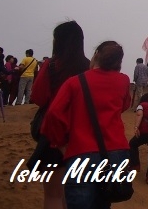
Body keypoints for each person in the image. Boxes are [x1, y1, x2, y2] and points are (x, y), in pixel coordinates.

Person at [42, 41, 132, 209]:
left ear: (96, 54)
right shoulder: (123, 81)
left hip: (81, 152)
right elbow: (125, 105)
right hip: (116, 152)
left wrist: (60, 143)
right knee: (104, 201)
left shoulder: (74, 82)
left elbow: (53, 114)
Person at [30, 21, 91, 209]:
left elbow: (38, 97)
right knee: (68, 194)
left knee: (53, 195)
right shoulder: (89, 68)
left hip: (53, 134)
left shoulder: (52, 65)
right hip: (80, 135)